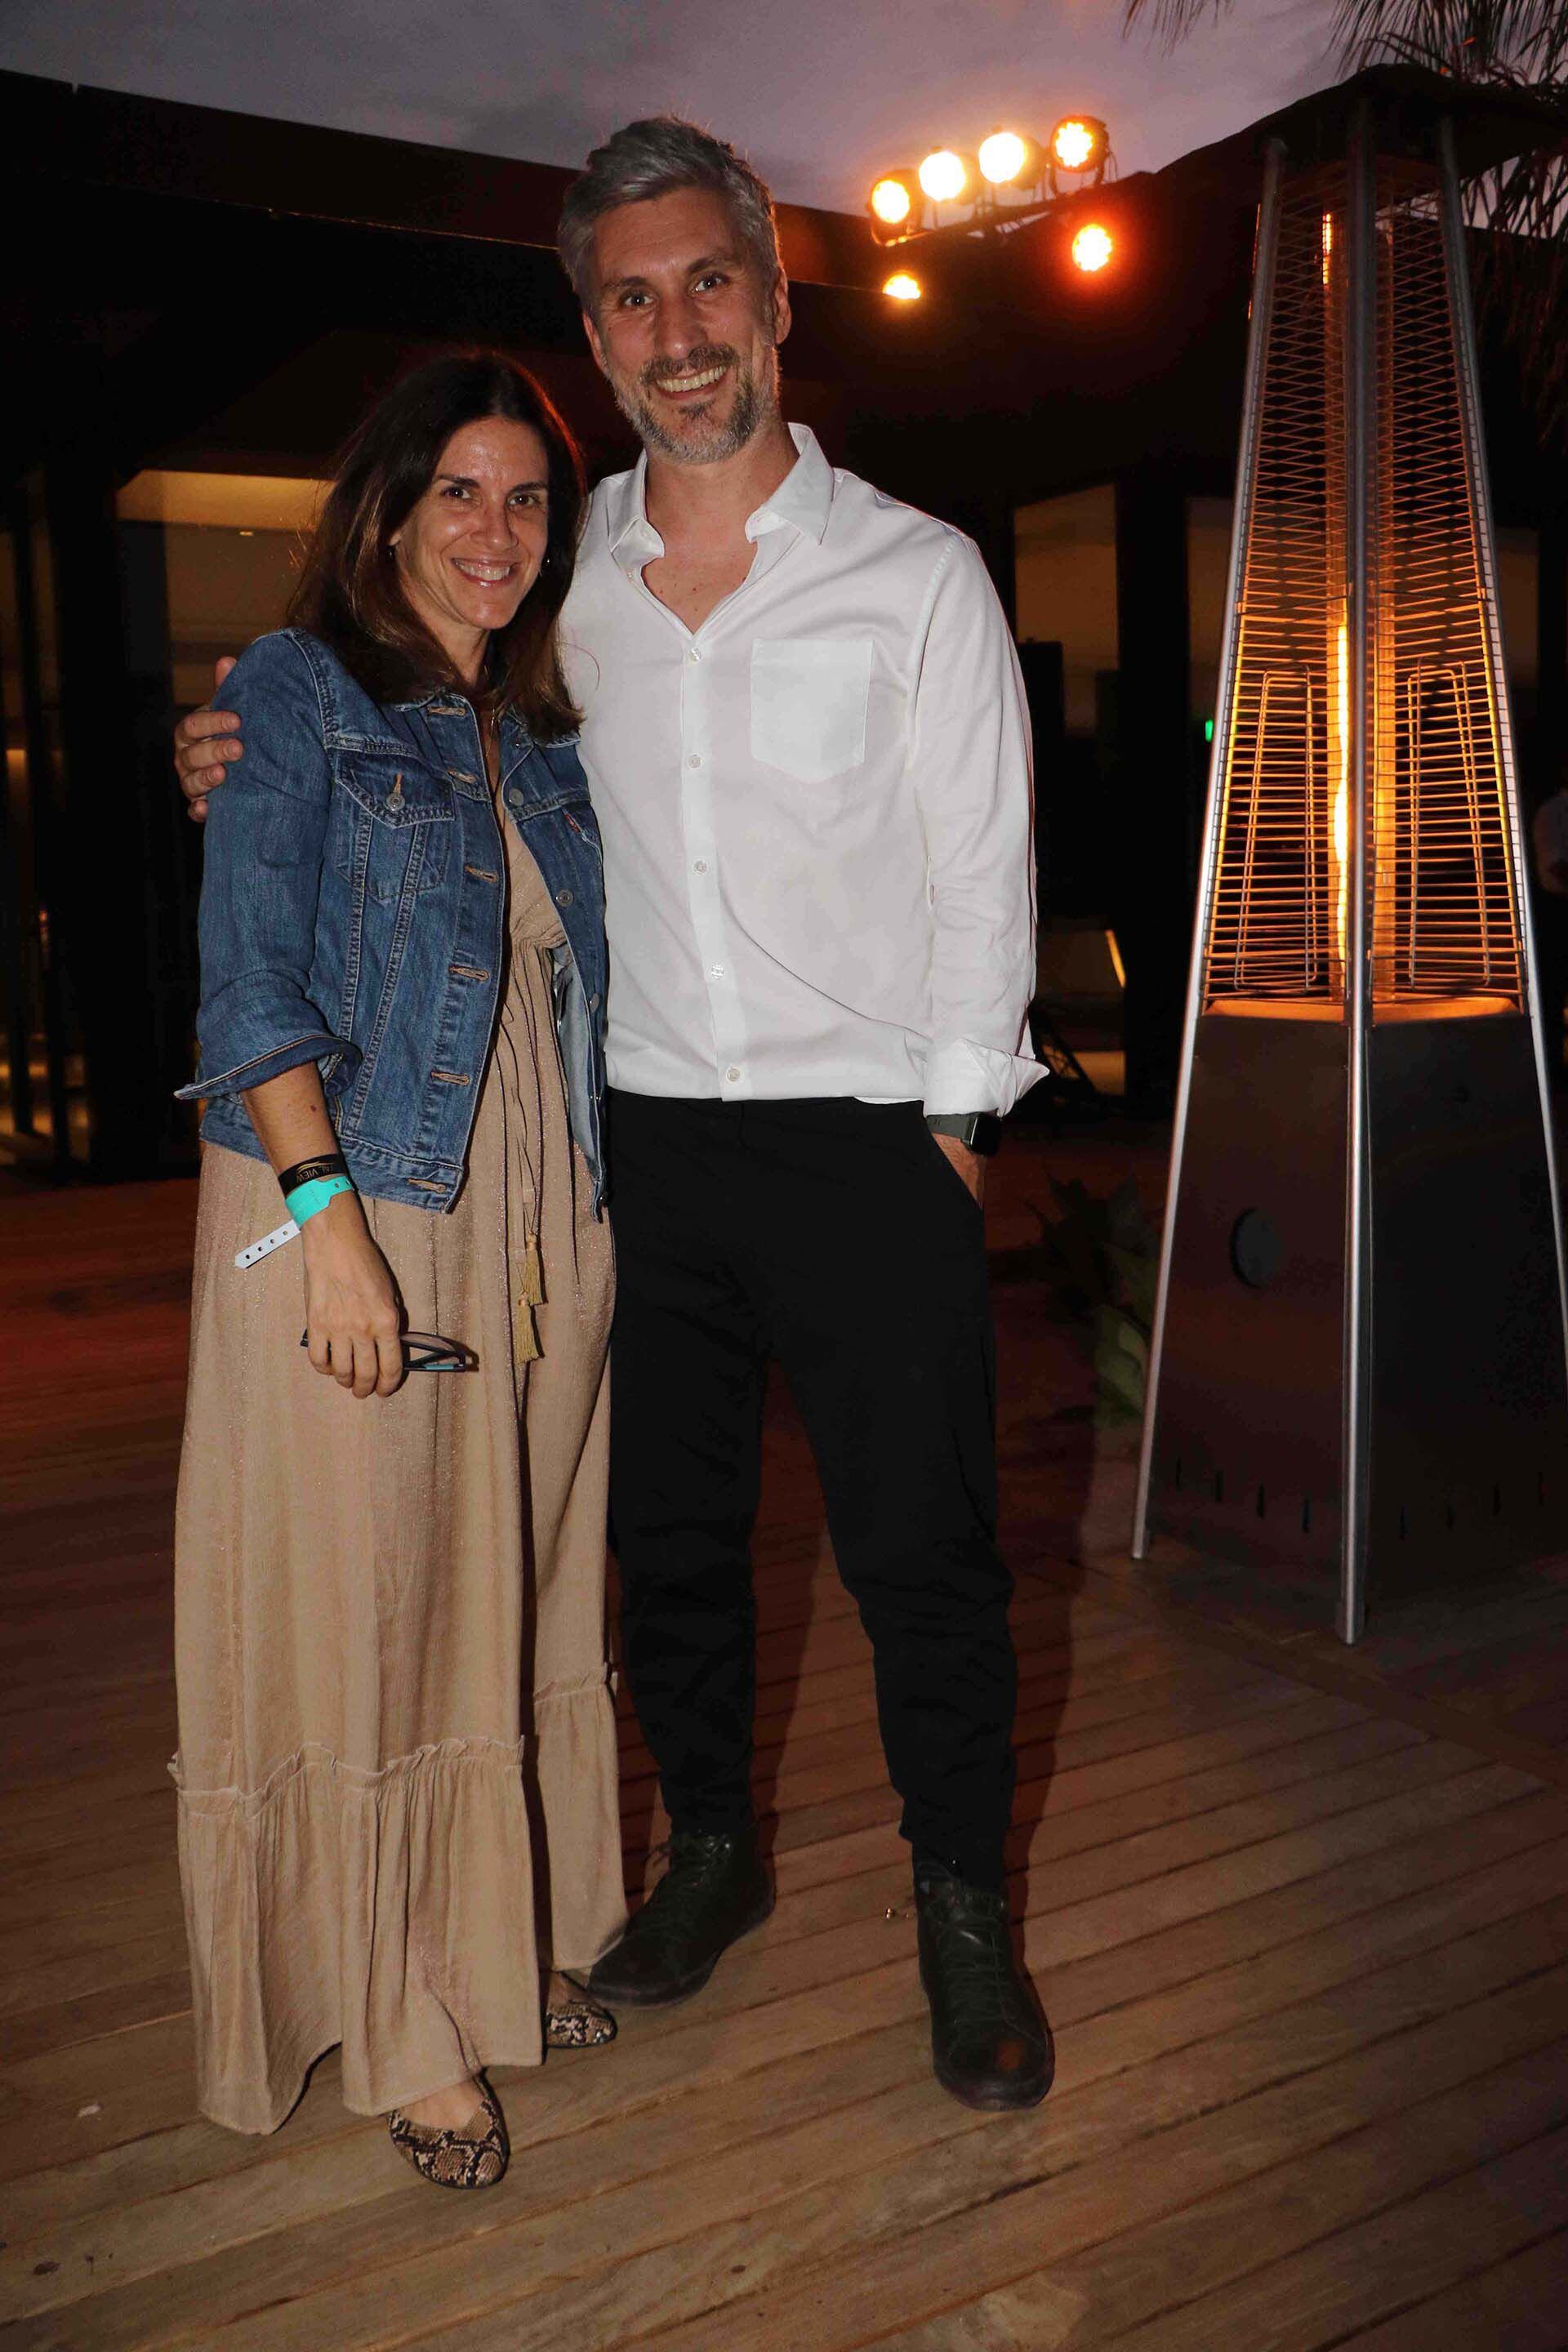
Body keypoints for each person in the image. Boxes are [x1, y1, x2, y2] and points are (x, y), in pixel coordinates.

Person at [176, 119, 1054, 2114]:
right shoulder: (559, 586)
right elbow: (389, 705)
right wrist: (230, 737)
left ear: (774, 293)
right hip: (635, 1146)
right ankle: (712, 1853)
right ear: (593, 332)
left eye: (708, 280)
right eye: (633, 298)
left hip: (869, 1139)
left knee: (923, 1557)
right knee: (667, 1546)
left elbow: (981, 871)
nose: (678, 330)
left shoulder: (916, 573)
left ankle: (963, 1909)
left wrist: (948, 1137)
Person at [172, 353, 625, 2189]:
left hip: (539, 1199)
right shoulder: (294, 691)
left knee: (510, 1586)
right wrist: (329, 1231)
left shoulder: (550, 723)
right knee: (372, 1603)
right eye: (459, 493)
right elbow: (247, 980)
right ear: (384, 510)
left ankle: (500, 1936)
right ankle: (405, 2015)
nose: (495, 534)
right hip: (357, 1189)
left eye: (526, 500)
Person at [1532, 771, 1568, 1089]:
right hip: (1558, 912)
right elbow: (1555, 865)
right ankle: (1553, 1069)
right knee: (1554, 992)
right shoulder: (1553, 812)